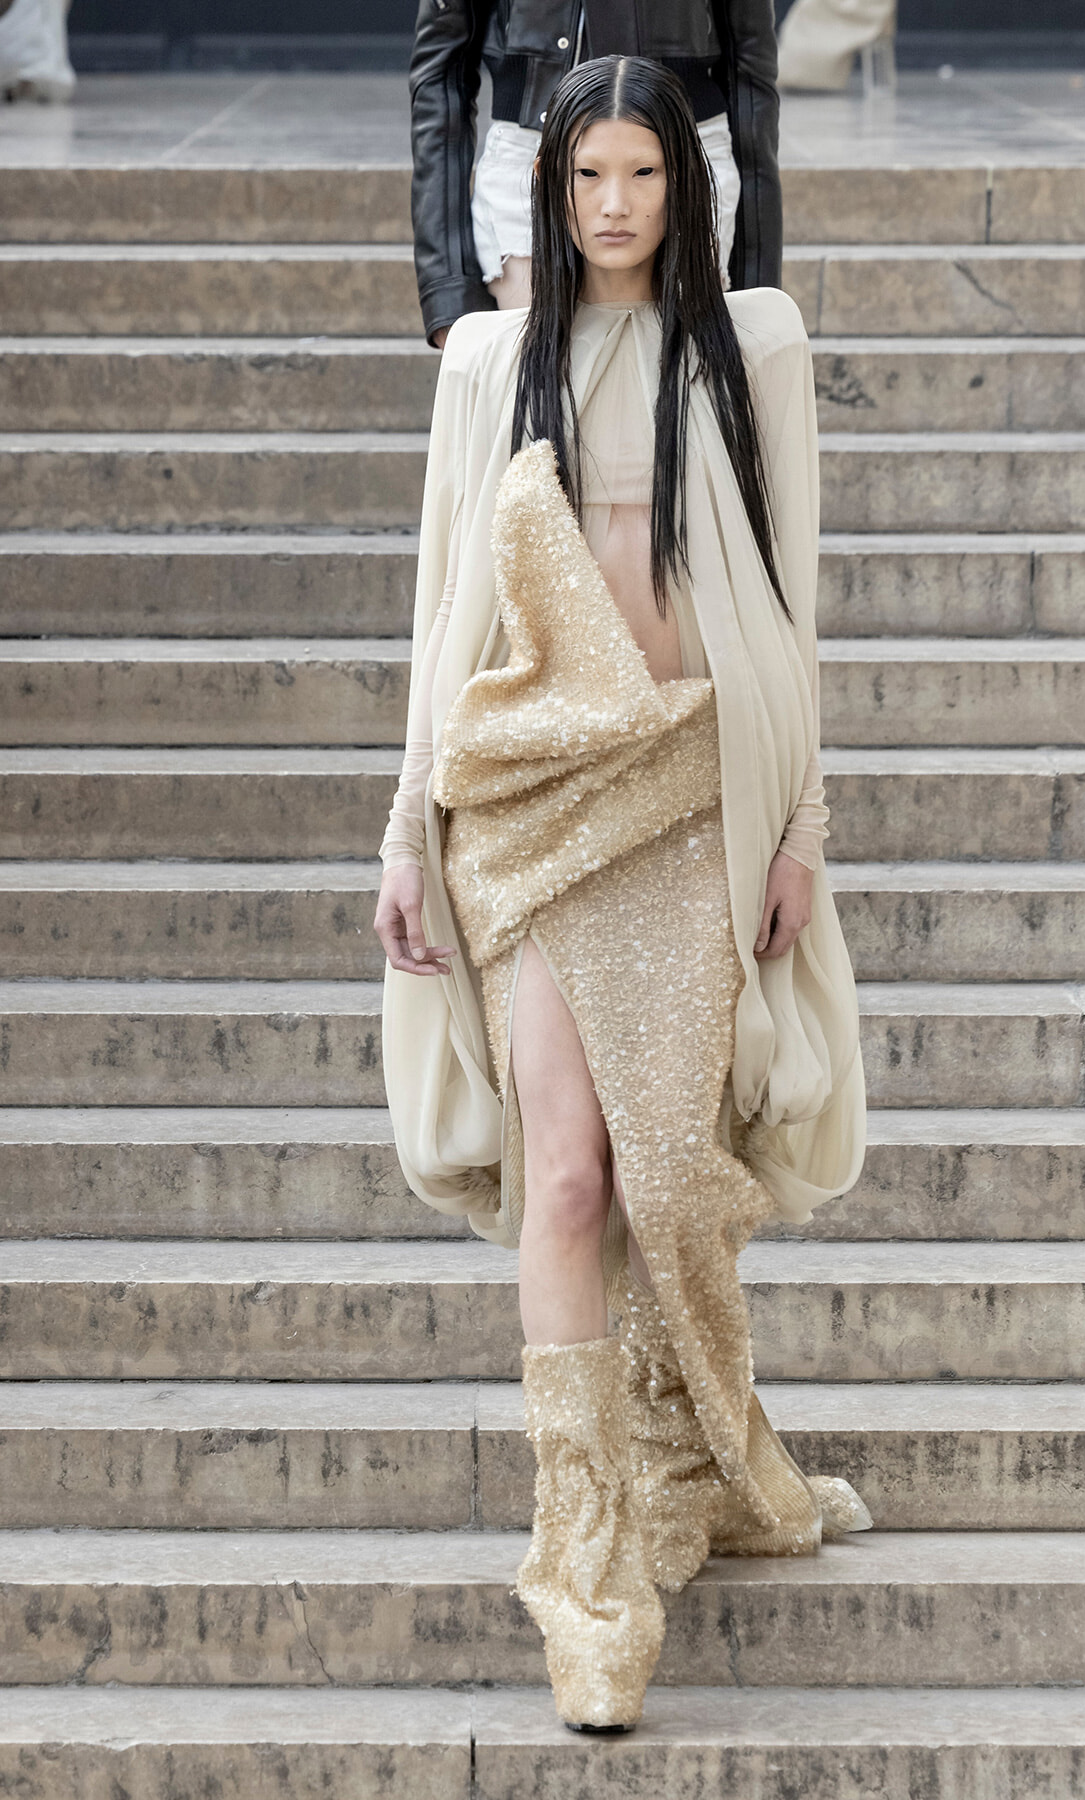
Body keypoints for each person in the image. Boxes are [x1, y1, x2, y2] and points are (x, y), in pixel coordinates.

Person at [376, 54, 868, 1734]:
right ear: (550, 186)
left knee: (673, 1171)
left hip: (692, 795)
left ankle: (697, 1444)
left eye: (643, 176)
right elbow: (444, 608)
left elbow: (793, 598)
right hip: (530, 802)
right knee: (569, 1175)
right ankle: (582, 1565)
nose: (613, 209)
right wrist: (400, 830)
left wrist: (804, 828)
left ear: (687, 185)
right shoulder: (486, 362)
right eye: (587, 177)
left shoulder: (756, 348)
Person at [408, 0, 783, 346]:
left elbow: (751, 77)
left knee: (678, 386)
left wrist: (757, 289)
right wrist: (449, 290)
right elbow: (441, 73)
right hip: (531, 146)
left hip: (682, 144)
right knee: (540, 382)